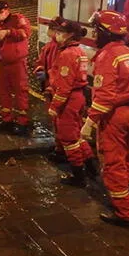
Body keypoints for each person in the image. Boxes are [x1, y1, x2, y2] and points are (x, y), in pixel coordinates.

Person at [81, 10, 129, 227]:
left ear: (105, 32)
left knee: (113, 164)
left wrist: (89, 122)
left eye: (96, 30)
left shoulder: (107, 56)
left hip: (114, 116)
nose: (94, 34)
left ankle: (124, 212)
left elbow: (104, 95)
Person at [47, 19, 97, 187]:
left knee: (68, 138)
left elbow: (64, 85)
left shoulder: (68, 54)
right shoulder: (79, 51)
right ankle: (91, 167)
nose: (57, 35)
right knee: (77, 135)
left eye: (61, 33)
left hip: (69, 100)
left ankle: (79, 175)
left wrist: (55, 106)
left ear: (70, 36)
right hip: (78, 97)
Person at [0, 1, 31, 135]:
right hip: (3, 63)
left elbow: (25, 33)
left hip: (17, 62)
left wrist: (8, 32)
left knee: (20, 90)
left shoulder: (18, 19)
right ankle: (6, 120)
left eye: (0, 12)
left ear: (7, 10)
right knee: (3, 90)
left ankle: (22, 122)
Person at [34, 17, 64, 161]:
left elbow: (61, 71)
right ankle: (59, 148)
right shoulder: (50, 46)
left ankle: (63, 151)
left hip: (58, 90)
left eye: (52, 28)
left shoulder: (63, 48)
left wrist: (48, 75)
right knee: (55, 121)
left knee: (62, 122)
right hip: (50, 87)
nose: (50, 30)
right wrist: (40, 69)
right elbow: (41, 61)